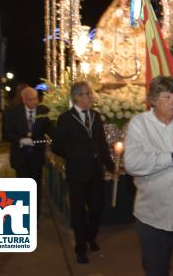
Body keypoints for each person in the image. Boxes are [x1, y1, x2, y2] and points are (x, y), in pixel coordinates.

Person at [124, 76, 173, 276]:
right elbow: (132, 163)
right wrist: (171, 157)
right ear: (153, 100)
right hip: (153, 217)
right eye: (167, 97)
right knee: (155, 270)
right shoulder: (139, 124)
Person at [51, 81, 115, 264]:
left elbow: (102, 145)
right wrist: (73, 156)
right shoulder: (66, 118)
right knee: (78, 211)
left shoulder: (95, 116)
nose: (91, 96)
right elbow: (57, 146)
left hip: (95, 171)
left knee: (96, 207)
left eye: (90, 93)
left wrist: (111, 167)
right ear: (77, 97)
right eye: (87, 93)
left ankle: (90, 236)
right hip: (77, 172)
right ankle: (80, 248)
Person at [4, 87, 52, 205]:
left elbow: (51, 129)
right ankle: (24, 213)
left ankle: (35, 216)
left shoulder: (44, 110)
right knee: (23, 188)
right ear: (24, 100)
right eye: (31, 99)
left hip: (37, 156)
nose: (34, 102)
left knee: (36, 187)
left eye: (36, 99)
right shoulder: (13, 112)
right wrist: (20, 140)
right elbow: (7, 132)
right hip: (20, 157)